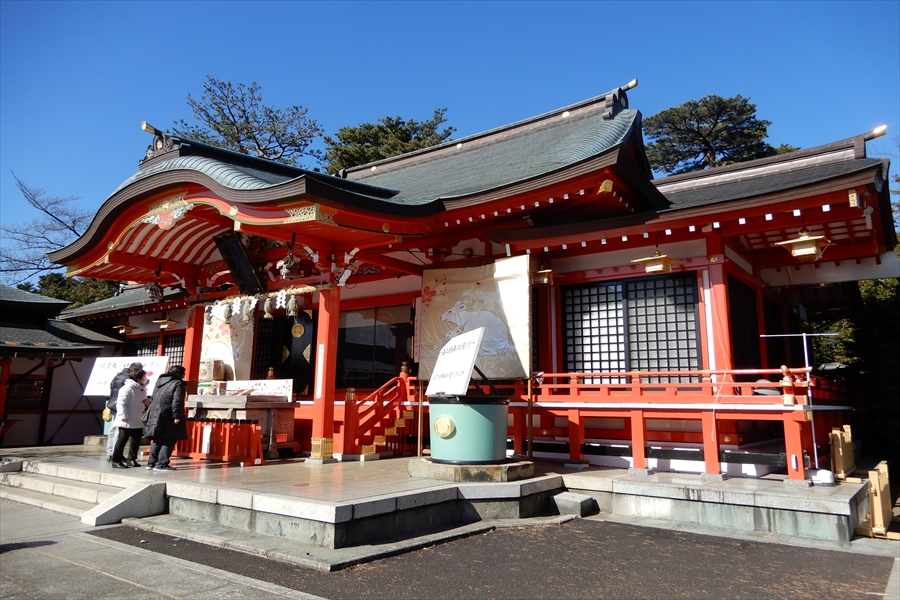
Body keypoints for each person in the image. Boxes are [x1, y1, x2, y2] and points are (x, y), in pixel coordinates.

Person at [144, 364, 188, 471]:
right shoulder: (178, 383)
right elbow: (177, 401)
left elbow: (153, 397)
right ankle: (162, 463)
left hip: (156, 413)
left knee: (157, 439)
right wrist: (177, 415)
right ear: (180, 374)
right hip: (168, 414)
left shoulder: (160, 382)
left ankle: (151, 463)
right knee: (169, 438)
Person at [110, 366, 147, 468]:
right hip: (127, 419)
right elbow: (121, 403)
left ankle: (132, 459)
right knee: (122, 440)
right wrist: (123, 416)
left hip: (137, 418)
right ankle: (116, 460)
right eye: (143, 376)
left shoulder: (141, 389)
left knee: (136, 440)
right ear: (138, 378)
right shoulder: (127, 388)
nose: (145, 378)